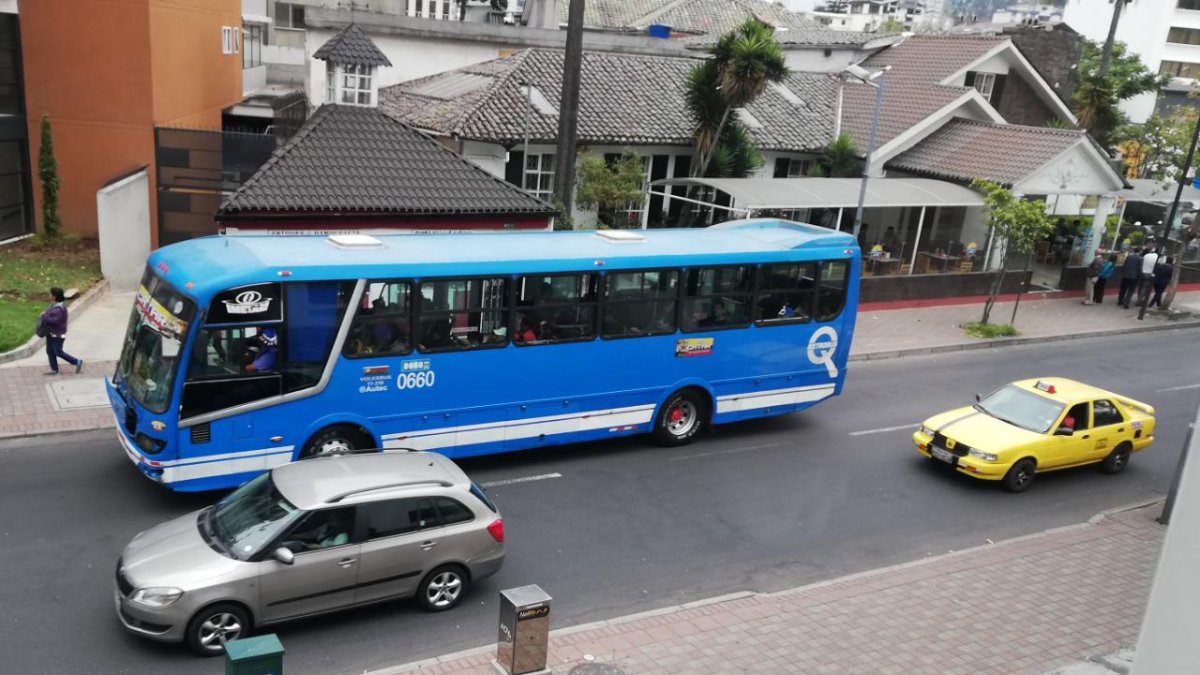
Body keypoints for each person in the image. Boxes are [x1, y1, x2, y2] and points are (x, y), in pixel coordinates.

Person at [39, 287, 82, 376]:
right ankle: (54, 370)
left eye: (50, 294)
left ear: (54, 296)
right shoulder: (55, 305)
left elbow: (55, 321)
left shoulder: (59, 308)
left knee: (58, 352)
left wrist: (44, 316)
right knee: (50, 351)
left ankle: (77, 361)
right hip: (51, 333)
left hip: (58, 335)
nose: (49, 295)